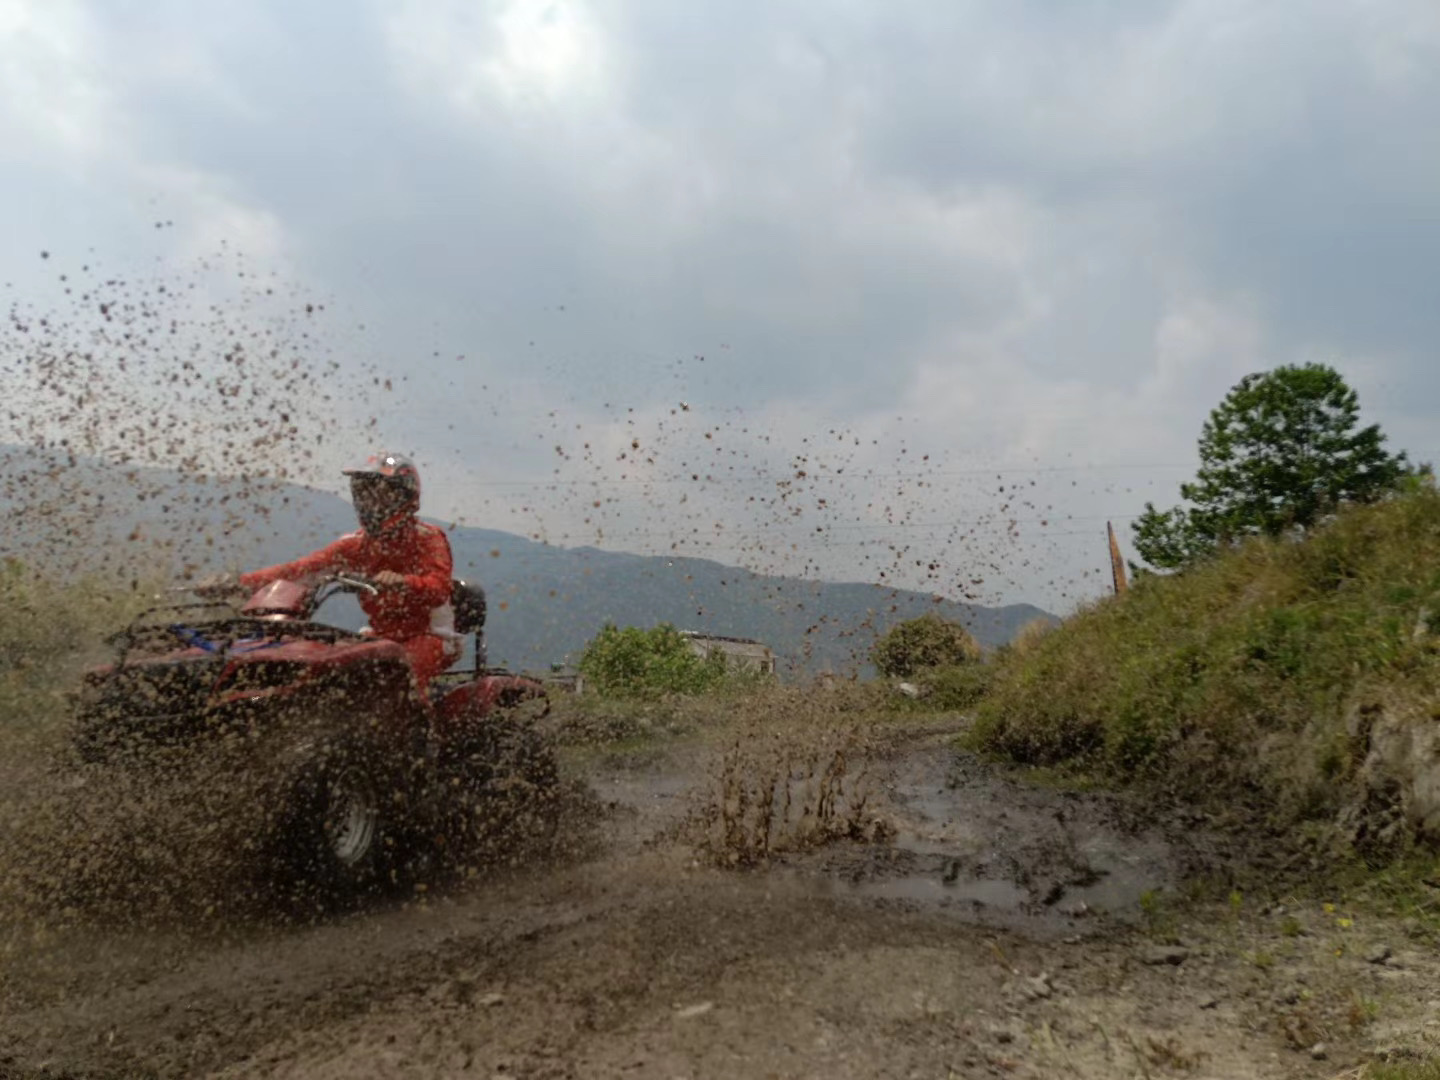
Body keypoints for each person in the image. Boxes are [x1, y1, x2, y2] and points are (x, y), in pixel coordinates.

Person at [225, 451, 461, 695]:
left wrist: (403, 582)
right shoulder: (356, 544)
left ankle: (418, 732)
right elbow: (298, 570)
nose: (369, 503)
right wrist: (238, 583)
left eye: (379, 495)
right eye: (364, 494)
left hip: (431, 636)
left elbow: (439, 589)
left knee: (398, 680)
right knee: (320, 671)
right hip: (379, 637)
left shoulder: (427, 538)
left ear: (404, 497)